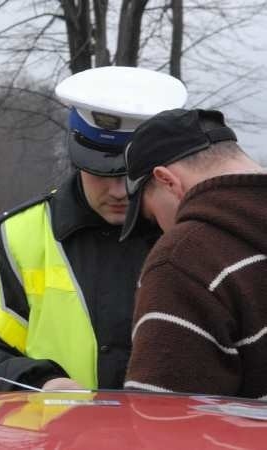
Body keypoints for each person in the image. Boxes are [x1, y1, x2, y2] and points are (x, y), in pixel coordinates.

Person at [0, 67, 187, 392]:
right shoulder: (19, 235)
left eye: (132, 176)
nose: (119, 191)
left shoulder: (191, 235)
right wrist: (41, 385)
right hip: (55, 440)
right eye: (101, 172)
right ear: (76, 158)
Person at [120, 108, 267, 398]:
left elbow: (162, 422)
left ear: (167, 180)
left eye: (151, 217)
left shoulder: (184, 260)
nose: (162, 230)